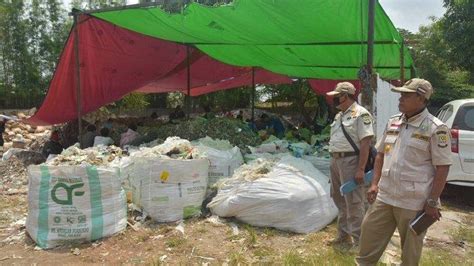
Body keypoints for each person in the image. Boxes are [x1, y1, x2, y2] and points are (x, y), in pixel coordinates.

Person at [356, 79, 452, 266]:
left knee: (409, 255)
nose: (400, 98)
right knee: (367, 243)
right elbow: (380, 156)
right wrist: (374, 184)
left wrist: (432, 201)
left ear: (421, 98)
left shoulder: (436, 128)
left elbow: (443, 167)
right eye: (401, 94)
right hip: (385, 196)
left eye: (406, 95)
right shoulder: (393, 122)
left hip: (413, 201)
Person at [326, 82, 374, 250]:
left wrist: (360, 169)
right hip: (336, 160)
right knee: (339, 199)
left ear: (345, 96)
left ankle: (359, 241)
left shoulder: (361, 114)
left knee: (354, 202)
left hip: (351, 161)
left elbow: (365, 143)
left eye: (337, 96)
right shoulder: (339, 116)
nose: (334, 99)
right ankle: (343, 235)